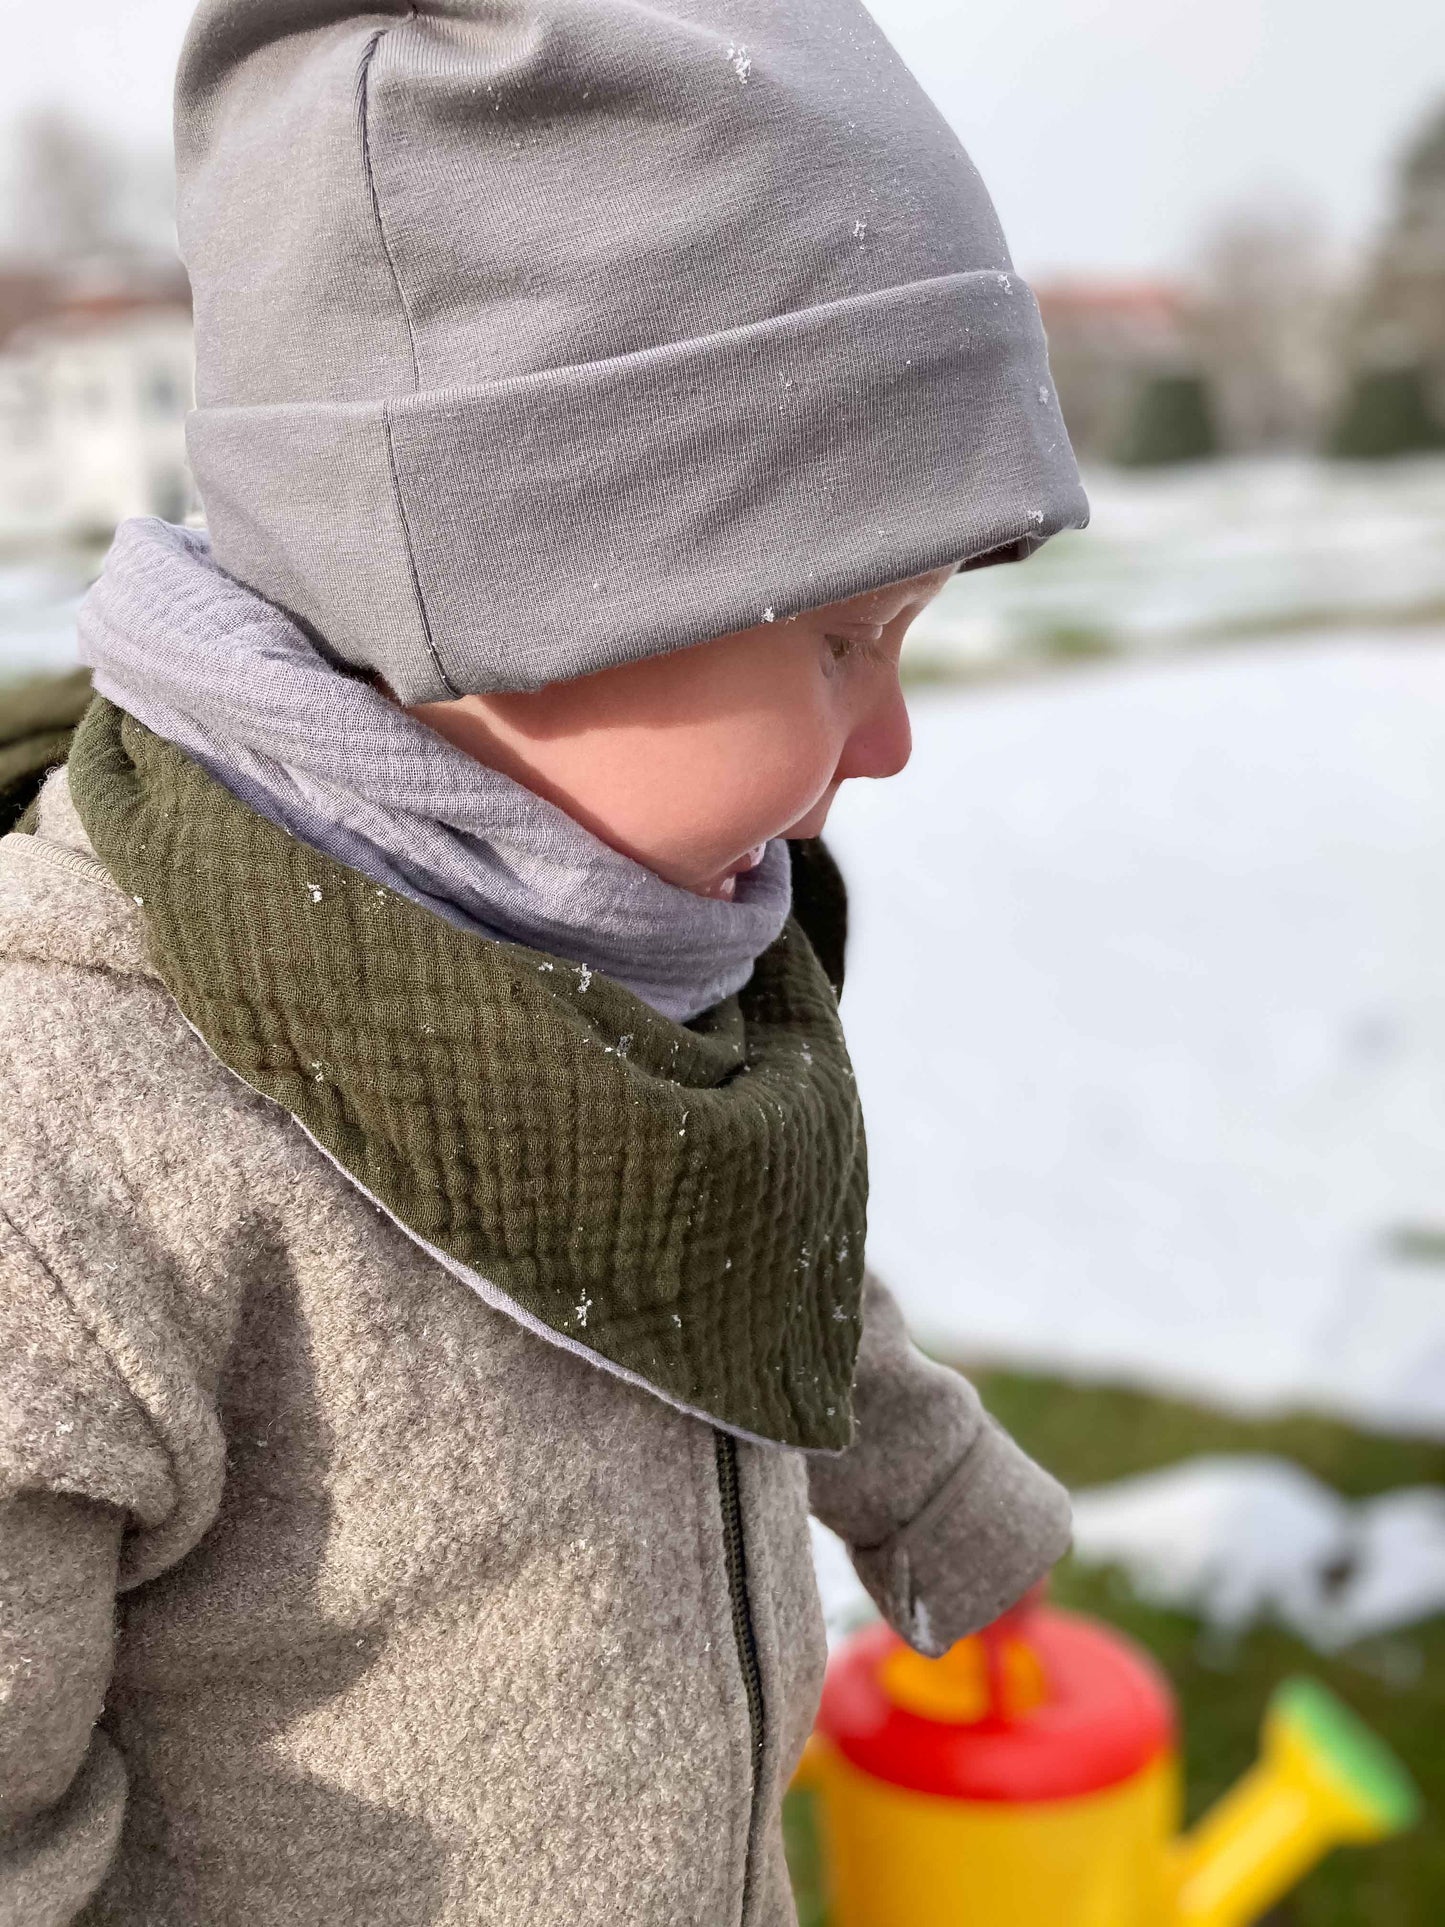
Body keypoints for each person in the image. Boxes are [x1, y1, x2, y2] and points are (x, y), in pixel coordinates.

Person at [0, 3, 1087, 1922]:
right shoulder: (73, 1153)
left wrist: (927, 1488)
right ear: (513, 584)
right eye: (846, 636)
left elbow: (722, 1245)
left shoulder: (607, 933)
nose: (893, 736)